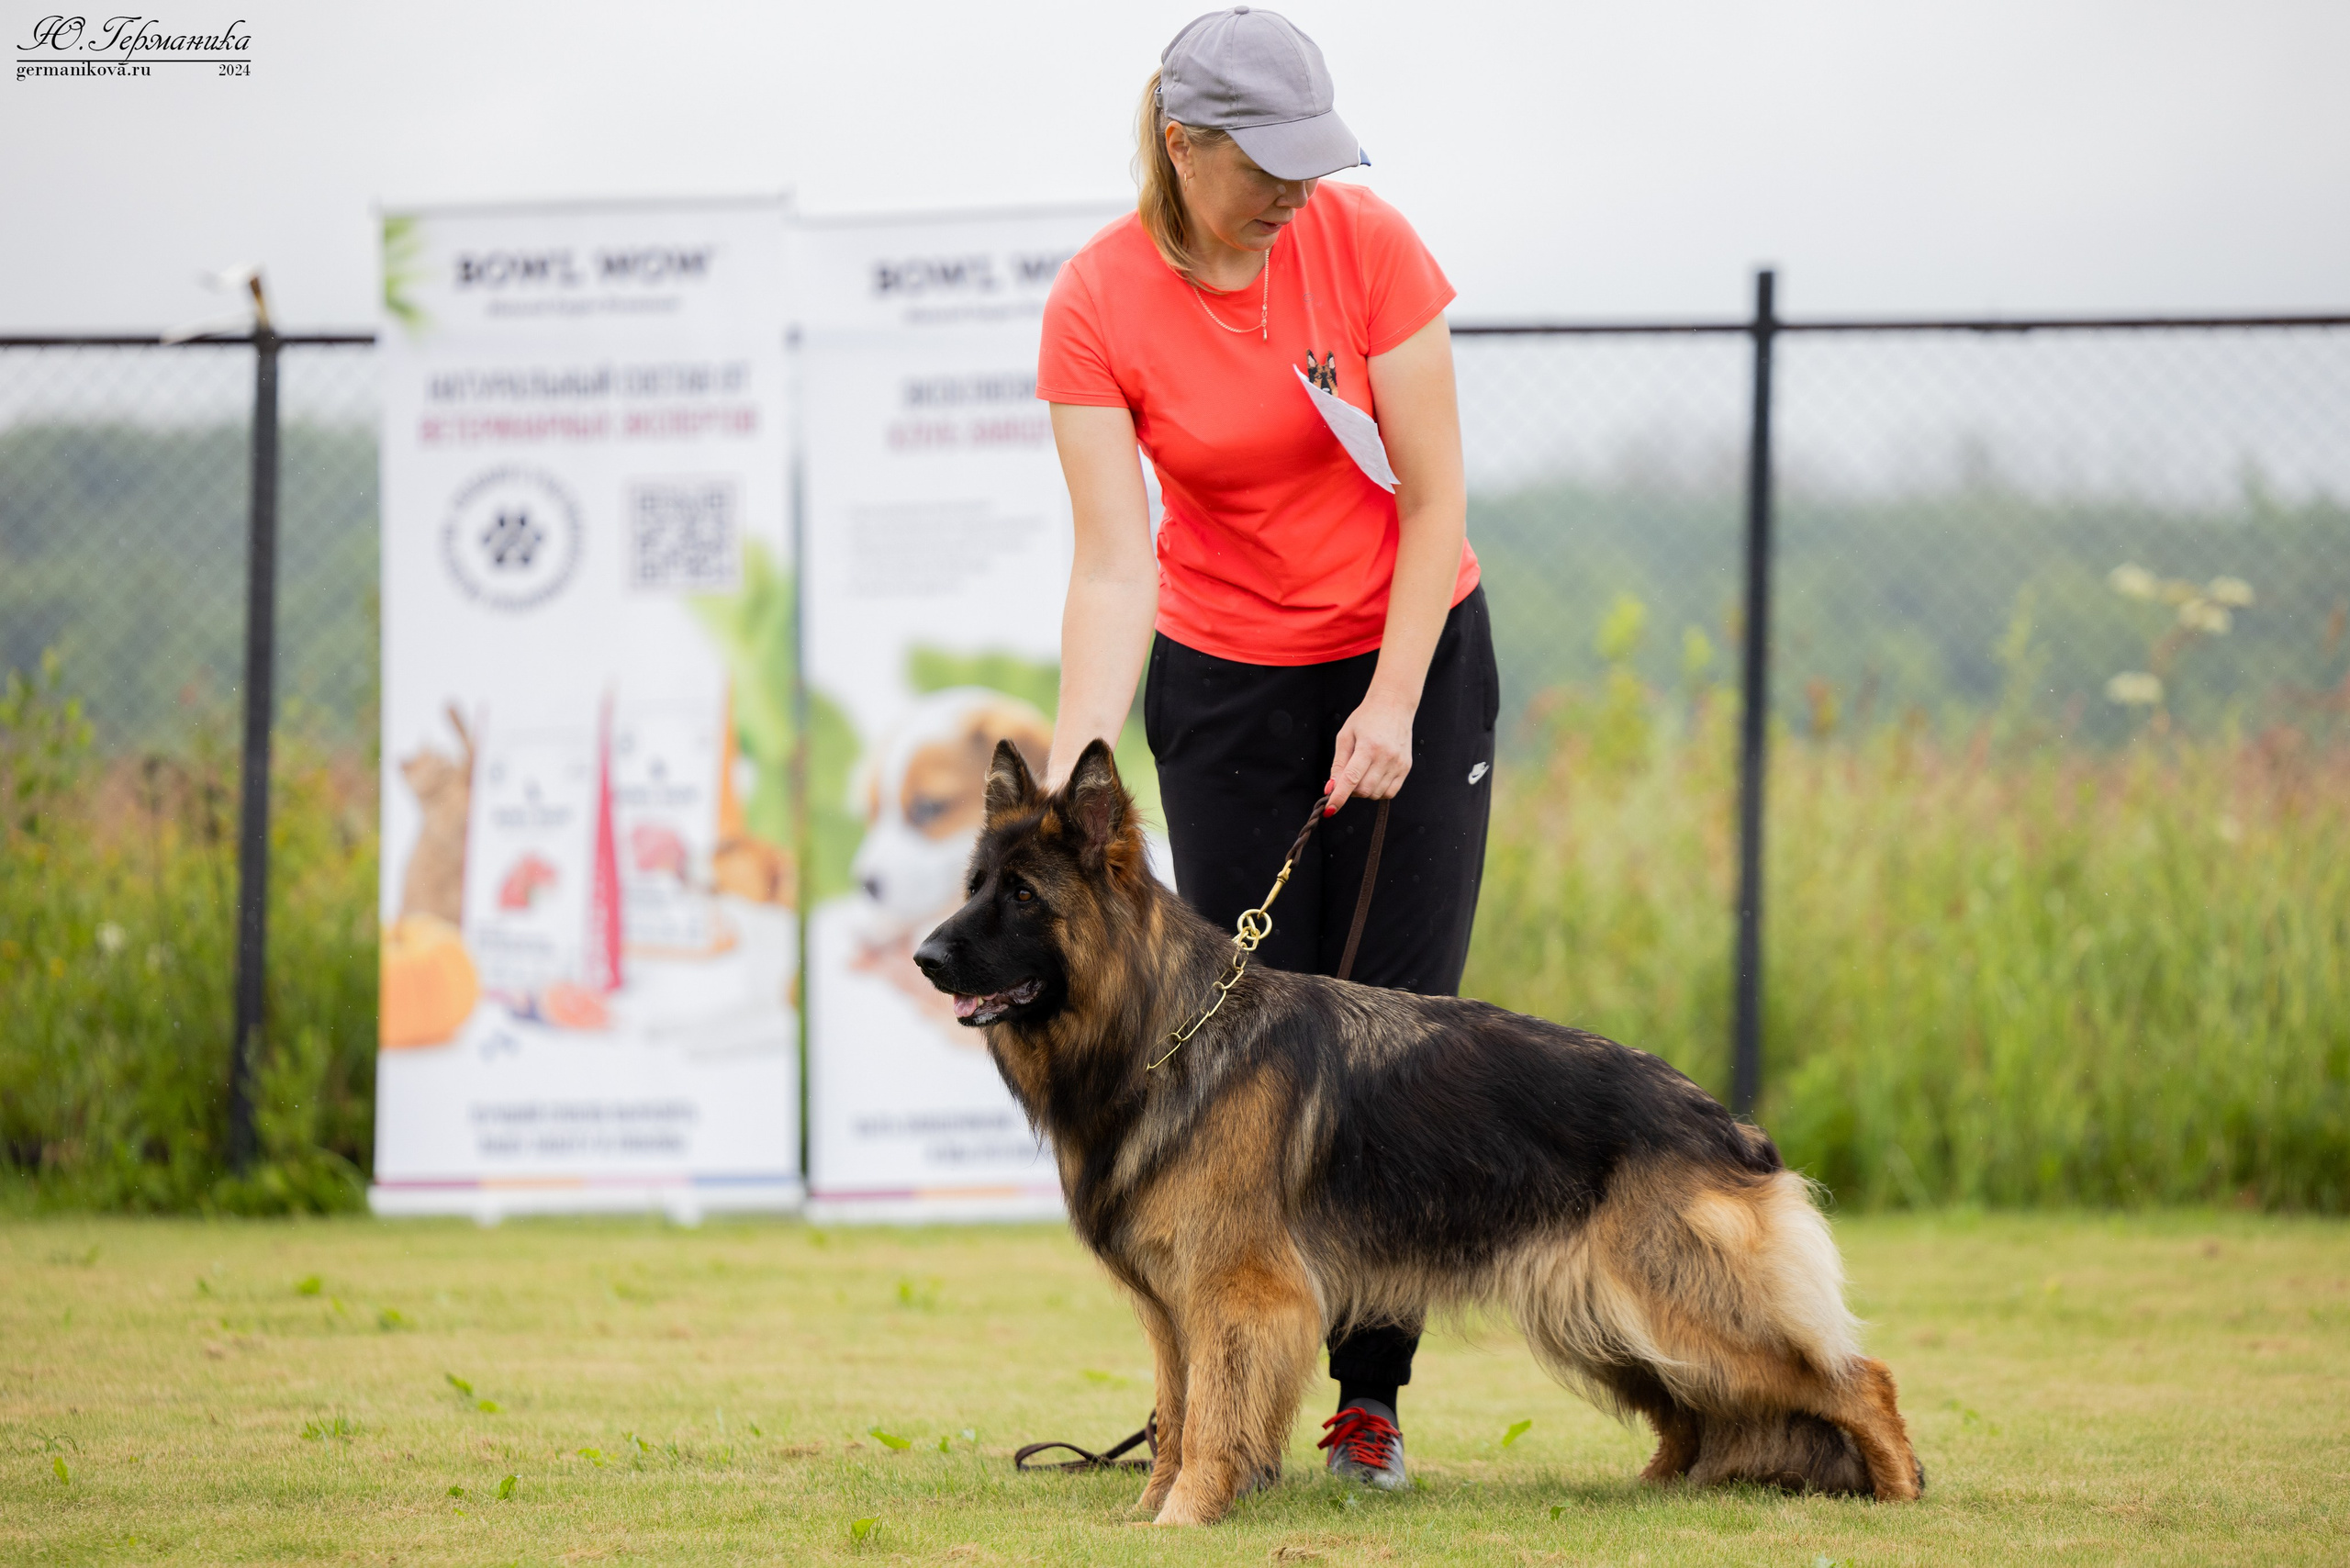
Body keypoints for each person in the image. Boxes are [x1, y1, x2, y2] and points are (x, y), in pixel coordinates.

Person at [1035, 6, 1496, 1493]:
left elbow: (1432, 505)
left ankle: (1370, 1402)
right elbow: (1117, 565)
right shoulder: (1097, 302)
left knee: (1397, 1041)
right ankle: (1216, 1406)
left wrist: (1395, 703)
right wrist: (1074, 772)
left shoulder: (1370, 249)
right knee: (1224, 1047)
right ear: (1186, 143)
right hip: (1227, 688)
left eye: (1318, 154)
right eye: (1268, 161)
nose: (1300, 186)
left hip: (1409, 651)